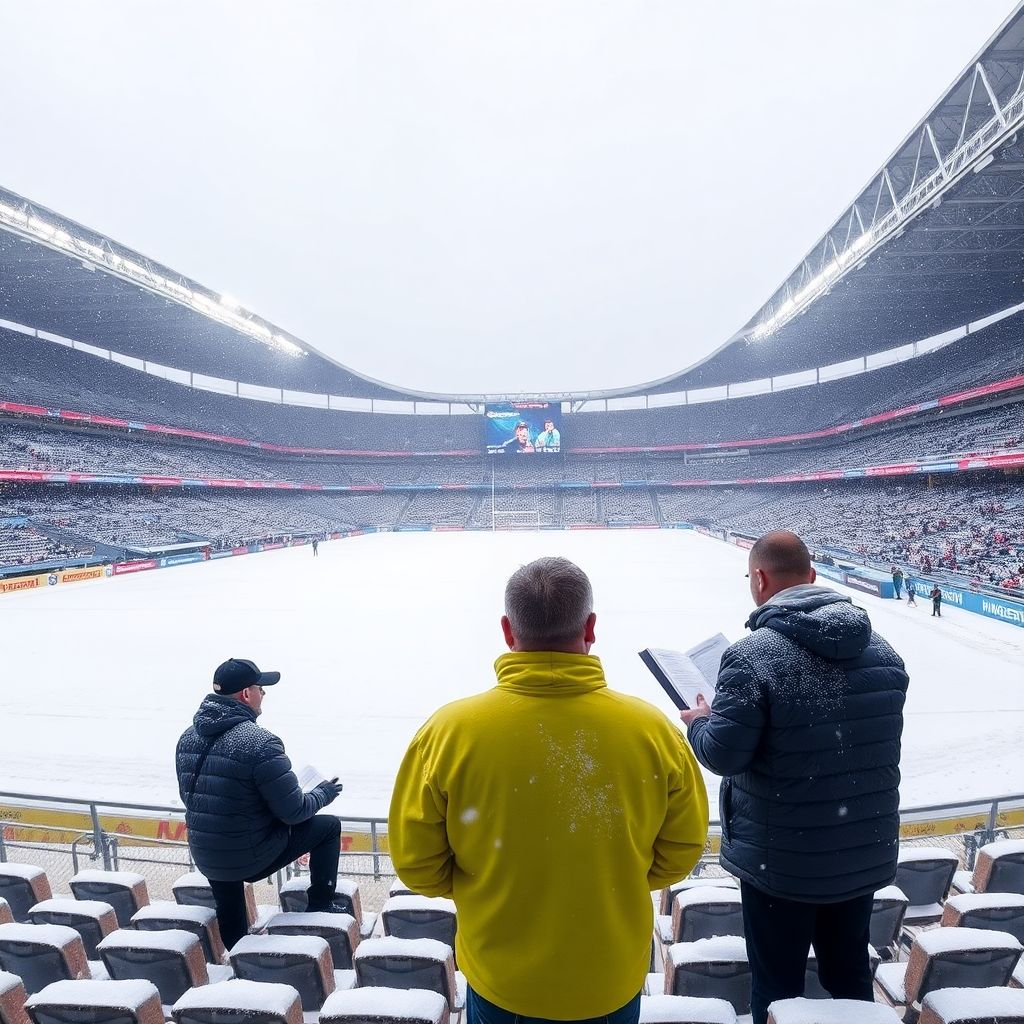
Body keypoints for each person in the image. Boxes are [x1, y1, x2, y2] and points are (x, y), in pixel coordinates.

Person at [389, 556, 709, 1024]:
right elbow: (679, 854)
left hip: (503, 981)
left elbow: (418, 866)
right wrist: (608, 878)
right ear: (591, 627)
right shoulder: (653, 732)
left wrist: (491, 885)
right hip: (609, 978)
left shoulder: (448, 732)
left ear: (507, 630)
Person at [680, 531, 908, 1024]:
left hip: (781, 865)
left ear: (759, 579)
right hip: (859, 856)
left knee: (777, 986)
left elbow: (723, 754)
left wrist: (700, 722)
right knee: (849, 976)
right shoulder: (885, 653)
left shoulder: (752, 656)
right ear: (812, 576)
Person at [176, 658, 345, 949]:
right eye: (261, 688)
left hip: (207, 856)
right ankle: (320, 905)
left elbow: (197, 798)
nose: (264, 693)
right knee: (329, 827)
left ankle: (239, 955)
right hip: (248, 858)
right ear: (245, 694)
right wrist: (324, 793)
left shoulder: (188, 738)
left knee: (229, 903)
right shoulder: (260, 743)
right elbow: (295, 812)